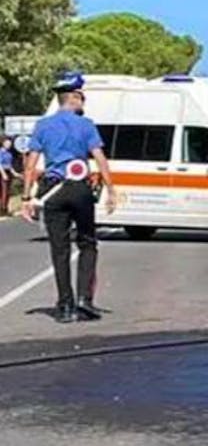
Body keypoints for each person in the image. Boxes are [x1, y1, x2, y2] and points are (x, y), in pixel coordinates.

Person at [21, 72, 117, 323]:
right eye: (81, 97)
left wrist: (25, 197)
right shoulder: (86, 125)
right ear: (73, 98)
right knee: (87, 243)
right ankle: (85, 298)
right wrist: (111, 190)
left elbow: (31, 164)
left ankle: (65, 305)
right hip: (79, 189)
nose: (82, 102)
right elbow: (99, 158)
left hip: (52, 190)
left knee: (59, 249)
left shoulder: (43, 125)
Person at [0, 137, 20, 216]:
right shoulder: (1, 152)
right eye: (7, 143)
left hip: (8, 172)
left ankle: (5, 208)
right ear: (3, 143)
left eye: (10, 144)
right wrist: (3, 174)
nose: (9, 145)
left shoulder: (9, 154)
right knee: (3, 191)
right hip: (2, 172)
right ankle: (3, 210)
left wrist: (15, 173)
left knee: (7, 191)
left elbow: (9, 165)